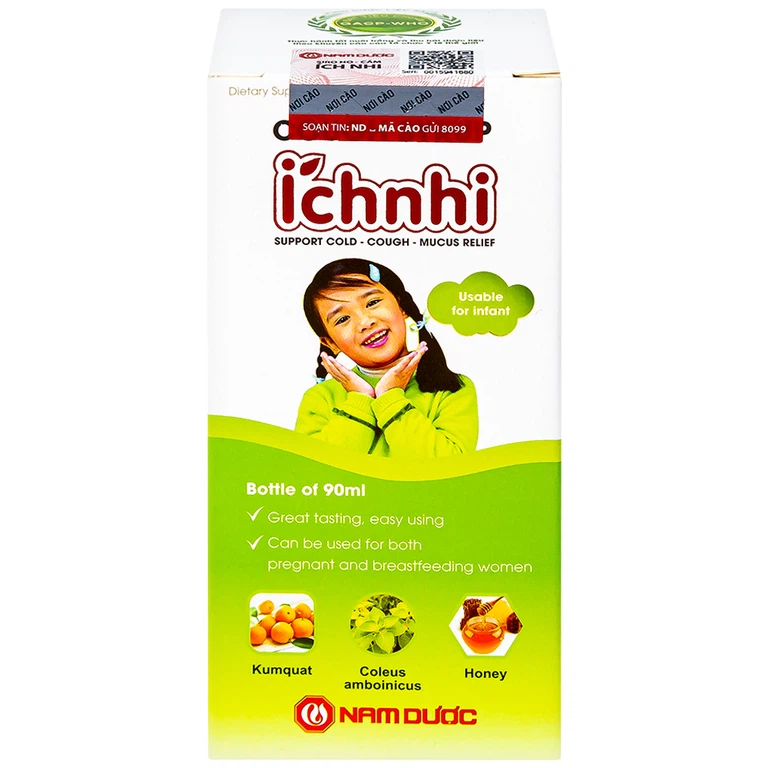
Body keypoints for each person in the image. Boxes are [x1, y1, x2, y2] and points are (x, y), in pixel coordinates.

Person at [296, 259, 478, 458]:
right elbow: (314, 469)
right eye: (342, 319)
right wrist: (360, 399)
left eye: (372, 303)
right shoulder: (321, 398)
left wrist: (390, 397)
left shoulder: (452, 388)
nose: (365, 322)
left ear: (401, 306)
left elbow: (447, 467)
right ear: (330, 342)